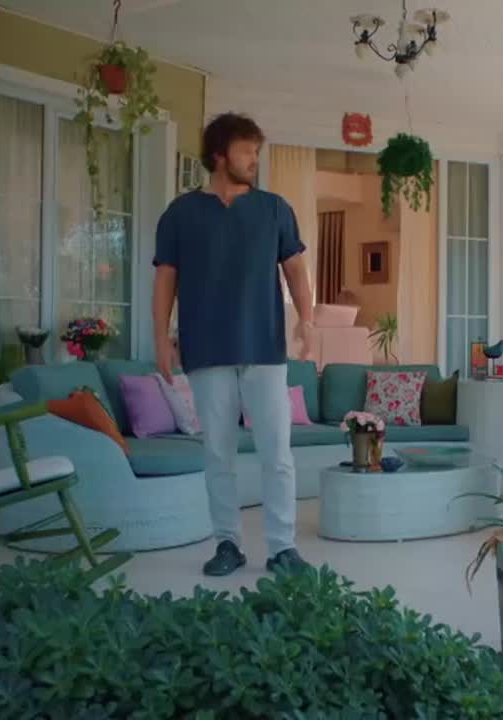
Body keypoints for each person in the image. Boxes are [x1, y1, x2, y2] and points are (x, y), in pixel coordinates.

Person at [152, 112, 316, 576]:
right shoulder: (180, 214)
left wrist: (307, 320)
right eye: (247, 151)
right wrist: (161, 337)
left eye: (256, 151)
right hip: (205, 349)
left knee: (276, 453)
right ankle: (228, 544)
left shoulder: (275, 209)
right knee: (218, 453)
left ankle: (283, 547)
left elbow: (295, 269)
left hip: (264, 347)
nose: (254, 160)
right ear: (220, 154)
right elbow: (166, 278)